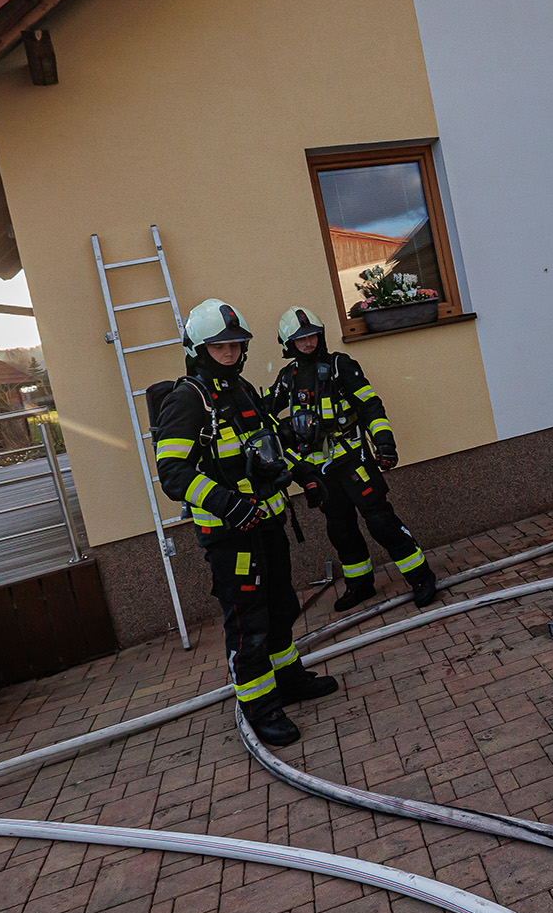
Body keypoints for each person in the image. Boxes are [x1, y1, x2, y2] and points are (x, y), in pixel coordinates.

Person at [153, 299, 337, 747]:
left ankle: (288, 681)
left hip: (267, 525)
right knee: (248, 623)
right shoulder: (187, 400)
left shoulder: (243, 390)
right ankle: (260, 708)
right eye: (220, 347)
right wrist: (228, 505)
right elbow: (173, 473)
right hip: (230, 537)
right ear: (199, 350)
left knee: (281, 608)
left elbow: (271, 443)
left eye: (235, 345)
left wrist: (305, 475)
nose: (230, 352)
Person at [268, 306, 437, 612]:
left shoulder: (340, 365)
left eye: (312, 336)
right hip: (320, 468)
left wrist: (384, 442)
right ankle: (360, 584)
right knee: (340, 528)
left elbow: (370, 404)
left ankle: (421, 577)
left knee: (380, 521)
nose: (308, 343)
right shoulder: (287, 377)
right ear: (288, 344)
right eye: (300, 339)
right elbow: (264, 411)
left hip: (354, 460)